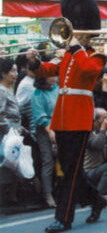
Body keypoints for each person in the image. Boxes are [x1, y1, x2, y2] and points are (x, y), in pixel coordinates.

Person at [28, 0, 107, 233]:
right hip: (62, 118)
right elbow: (46, 71)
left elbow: (87, 70)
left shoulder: (96, 56)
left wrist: (74, 48)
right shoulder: (67, 55)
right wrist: (34, 62)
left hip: (79, 118)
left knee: (69, 172)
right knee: (70, 169)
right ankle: (97, 200)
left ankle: (63, 218)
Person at [31, 73, 59, 208]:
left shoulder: (56, 88)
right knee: (48, 160)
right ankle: (48, 194)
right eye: (51, 76)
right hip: (45, 130)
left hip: (60, 127)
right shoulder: (37, 93)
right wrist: (49, 130)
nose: (54, 78)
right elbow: (39, 115)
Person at [0, 58, 23, 204]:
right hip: (6, 135)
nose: (15, 74)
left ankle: (12, 196)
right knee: (6, 164)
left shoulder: (10, 89)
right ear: (3, 73)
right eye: (12, 71)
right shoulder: (1, 91)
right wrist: (9, 130)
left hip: (14, 133)